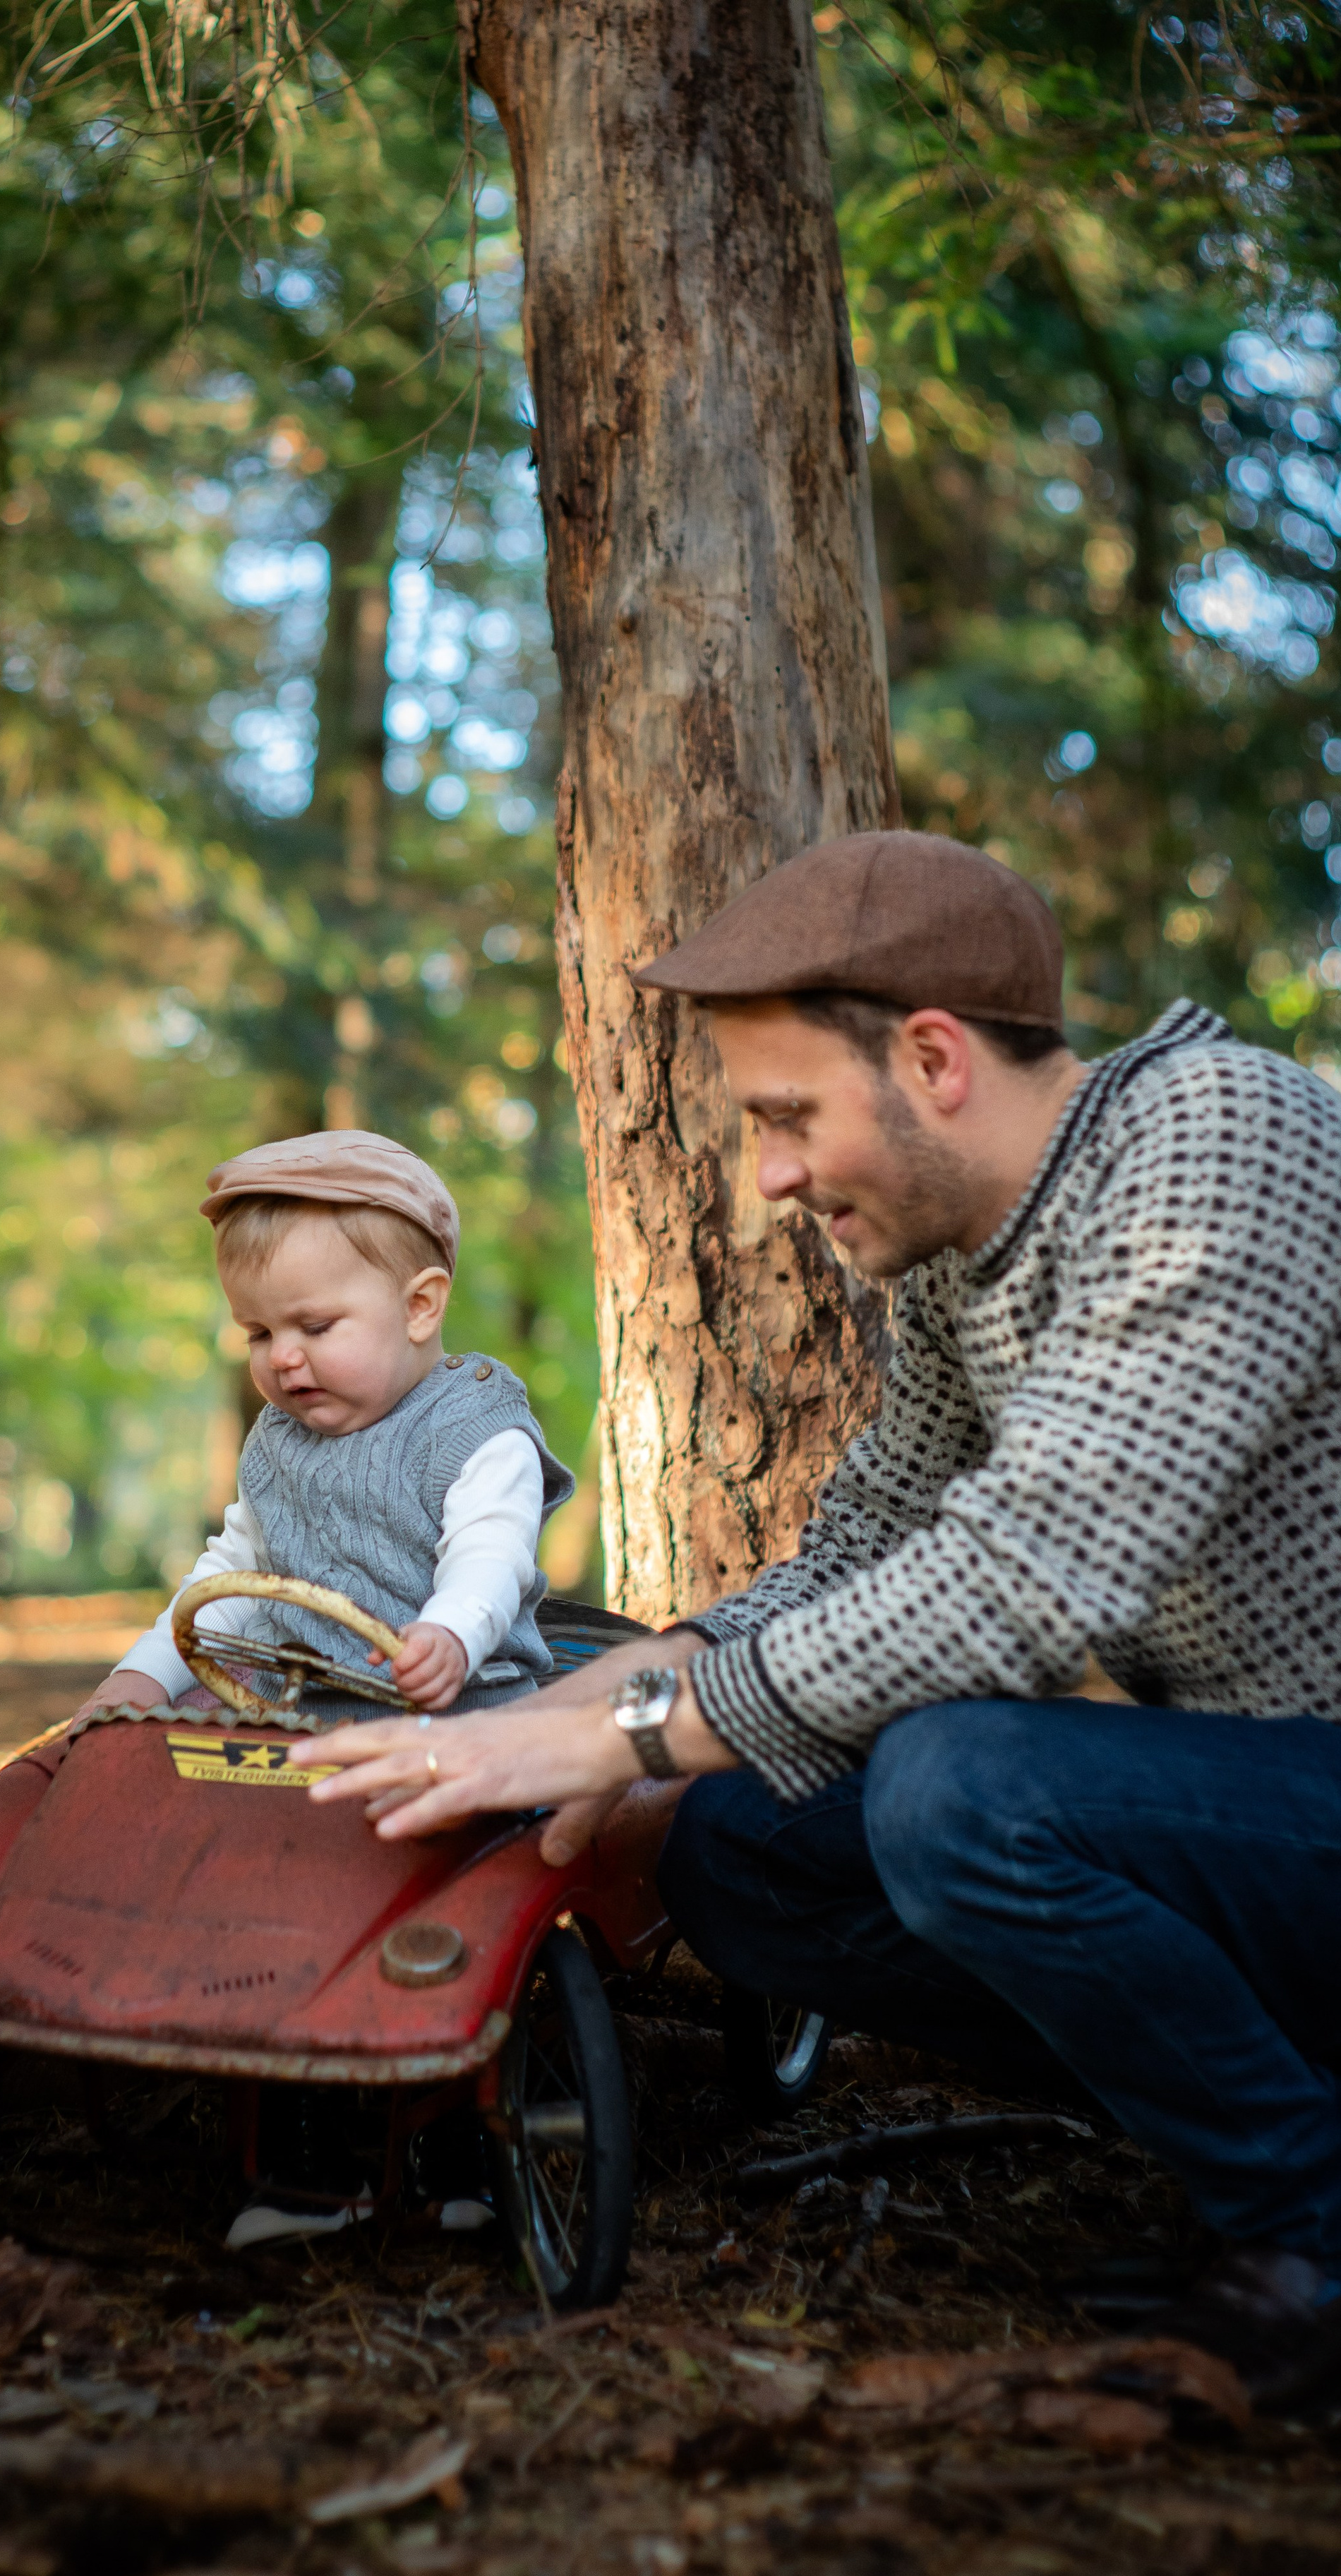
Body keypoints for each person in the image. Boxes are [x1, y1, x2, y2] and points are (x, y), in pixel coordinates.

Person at [300, 829, 1341, 2414]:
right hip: (1264, 1811)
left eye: (786, 1116)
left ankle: (1305, 2225)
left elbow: (1026, 1575)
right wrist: (608, 1689)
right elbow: (858, 1553)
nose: (768, 1176)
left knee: (956, 1792)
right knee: (736, 1845)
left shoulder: (1221, 1138)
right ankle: (1261, 2138)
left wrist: (630, 1725)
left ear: (930, 1059)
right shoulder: (953, 1267)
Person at [74, 1126, 572, 2243]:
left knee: (445, 1915)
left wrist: (449, 1631)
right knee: (261, 1906)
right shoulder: (277, 1441)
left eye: (314, 1327)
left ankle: (461, 2140)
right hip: (299, 1714)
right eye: (259, 1333)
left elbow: (492, 1553)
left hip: (455, 1708)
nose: (283, 1360)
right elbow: (232, 1577)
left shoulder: (473, 1425)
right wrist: (142, 1672)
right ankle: (308, 2160)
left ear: (421, 1306)